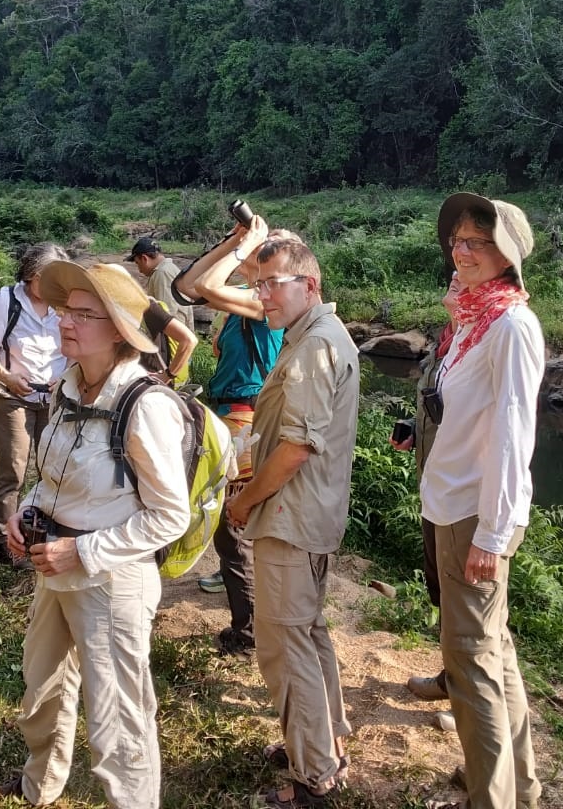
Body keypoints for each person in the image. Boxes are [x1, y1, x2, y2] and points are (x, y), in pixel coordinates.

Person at [0, 261, 190, 809]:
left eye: (85, 314)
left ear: (120, 331)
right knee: (43, 689)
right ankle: (41, 786)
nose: (67, 323)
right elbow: (53, 475)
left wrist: (80, 550)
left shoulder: (144, 406)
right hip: (53, 566)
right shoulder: (68, 385)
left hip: (110, 581)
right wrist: (27, 512)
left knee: (118, 719)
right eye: (66, 311)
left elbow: (168, 515)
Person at [226, 238, 359, 809]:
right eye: (258, 284)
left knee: (284, 647)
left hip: (291, 515)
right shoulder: (311, 336)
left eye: (272, 283)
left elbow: (297, 447)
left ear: (310, 283)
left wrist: (244, 501)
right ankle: (324, 742)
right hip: (306, 514)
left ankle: (315, 777)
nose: (262, 295)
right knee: (308, 633)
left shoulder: (313, 348)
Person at [421, 192, 543, 809]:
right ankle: (515, 785)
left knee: (469, 664)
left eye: (478, 242)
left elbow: (513, 434)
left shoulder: (513, 327)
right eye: (458, 241)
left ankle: (489, 797)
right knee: (494, 650)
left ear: (507, 256)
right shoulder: (472, 320)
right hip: (454, 502)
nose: (461, 251)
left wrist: (493, 536)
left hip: (477, 513)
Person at [179, 215, 296, 655]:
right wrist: (235, 242)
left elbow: (206, 288)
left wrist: (244, 247)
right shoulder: (243, 303)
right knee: (233, 524)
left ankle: (248, 633)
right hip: (228, 413)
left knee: (233, 523)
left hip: (245, 419)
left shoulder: (263, 304)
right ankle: (252, 622)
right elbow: (192, 285)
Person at [0, 242, 69, 565]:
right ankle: (5, 541)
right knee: (13, 470)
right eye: (53, 279)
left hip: (55, 399)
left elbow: (73, 347)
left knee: (52, 469)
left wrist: (69, 376)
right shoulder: (8, 300)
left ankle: (41, 535)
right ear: (34, 276)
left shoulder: (64, 303)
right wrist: (7, 377)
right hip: (13, 397)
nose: (59, 285)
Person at [392, 319, 457, 729]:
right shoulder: (446, 342)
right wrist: (415, 432)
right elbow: (441, 411)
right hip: (435, 490)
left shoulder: (490, 339)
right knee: (443, 594)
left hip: (464, 500)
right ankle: (451, 679)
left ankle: (467, 701)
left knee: (469, 610)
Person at [128, 236, 194, 329]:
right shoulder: (167, 269)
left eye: (138, 263)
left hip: (172, 337)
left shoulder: (163, 273)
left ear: (144, 258)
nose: (139, 270)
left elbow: (165, 313)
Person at [139, 294, 198, 386]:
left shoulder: (147, 307)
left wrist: (167, 375)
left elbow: (189, 340)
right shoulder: (114, 308)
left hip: (151, 384)